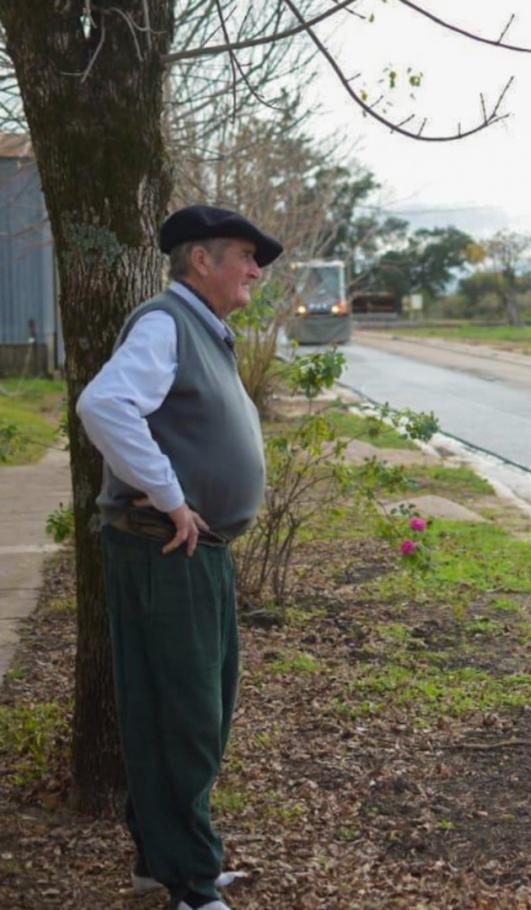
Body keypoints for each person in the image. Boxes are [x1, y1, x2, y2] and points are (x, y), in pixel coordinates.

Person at [76, 205, 282, 910]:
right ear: (202, 261)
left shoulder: (204, 331)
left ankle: (161, 858)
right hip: (165, 546)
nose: (257, 270)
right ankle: (191, 886)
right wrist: (170, 496)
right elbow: (104, 406)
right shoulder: (166, 321)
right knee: (182, 715)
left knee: (199, 707)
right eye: (247, 256)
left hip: (195, 552)